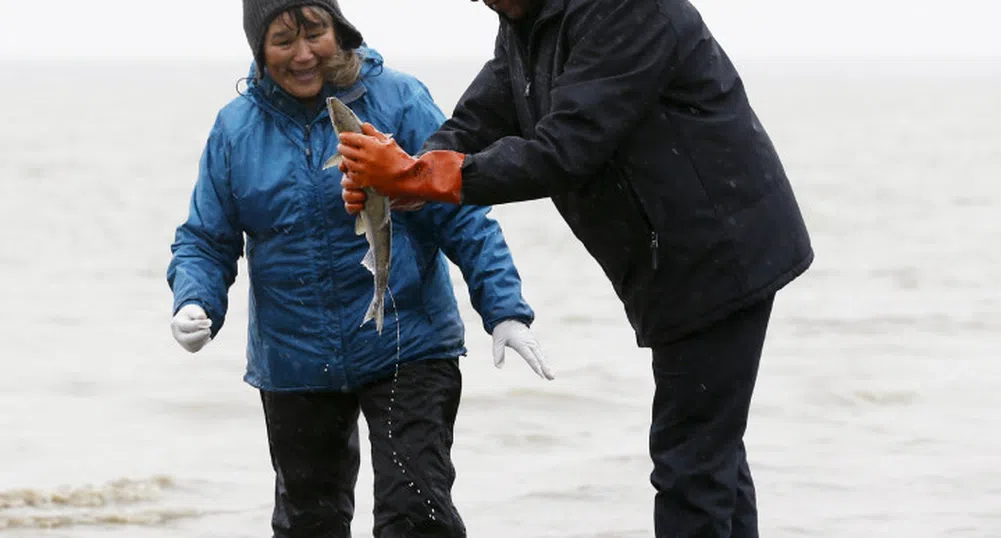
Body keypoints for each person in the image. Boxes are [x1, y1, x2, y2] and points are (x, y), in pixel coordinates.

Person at [335, 0, 814, 536]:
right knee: (712, 456)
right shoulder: (527, 21)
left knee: (691, 464)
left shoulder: (630, 11)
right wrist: (410, 173)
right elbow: (482, 117)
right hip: (671, 262)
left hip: (720, 253)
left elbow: (567, 149)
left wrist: (422, 178)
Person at [166, 2, 555, 537]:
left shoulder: (398, 99)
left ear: (340, 30)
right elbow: (206, 238)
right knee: (310, 523)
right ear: (259, 51)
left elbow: (460, 213)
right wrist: (194, 300)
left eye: (315, 33)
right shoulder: (236, 129)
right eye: (283, 40)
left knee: (415, 515)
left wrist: (505, 309)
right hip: (295, 359)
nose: (303, 54)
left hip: (407, 342)